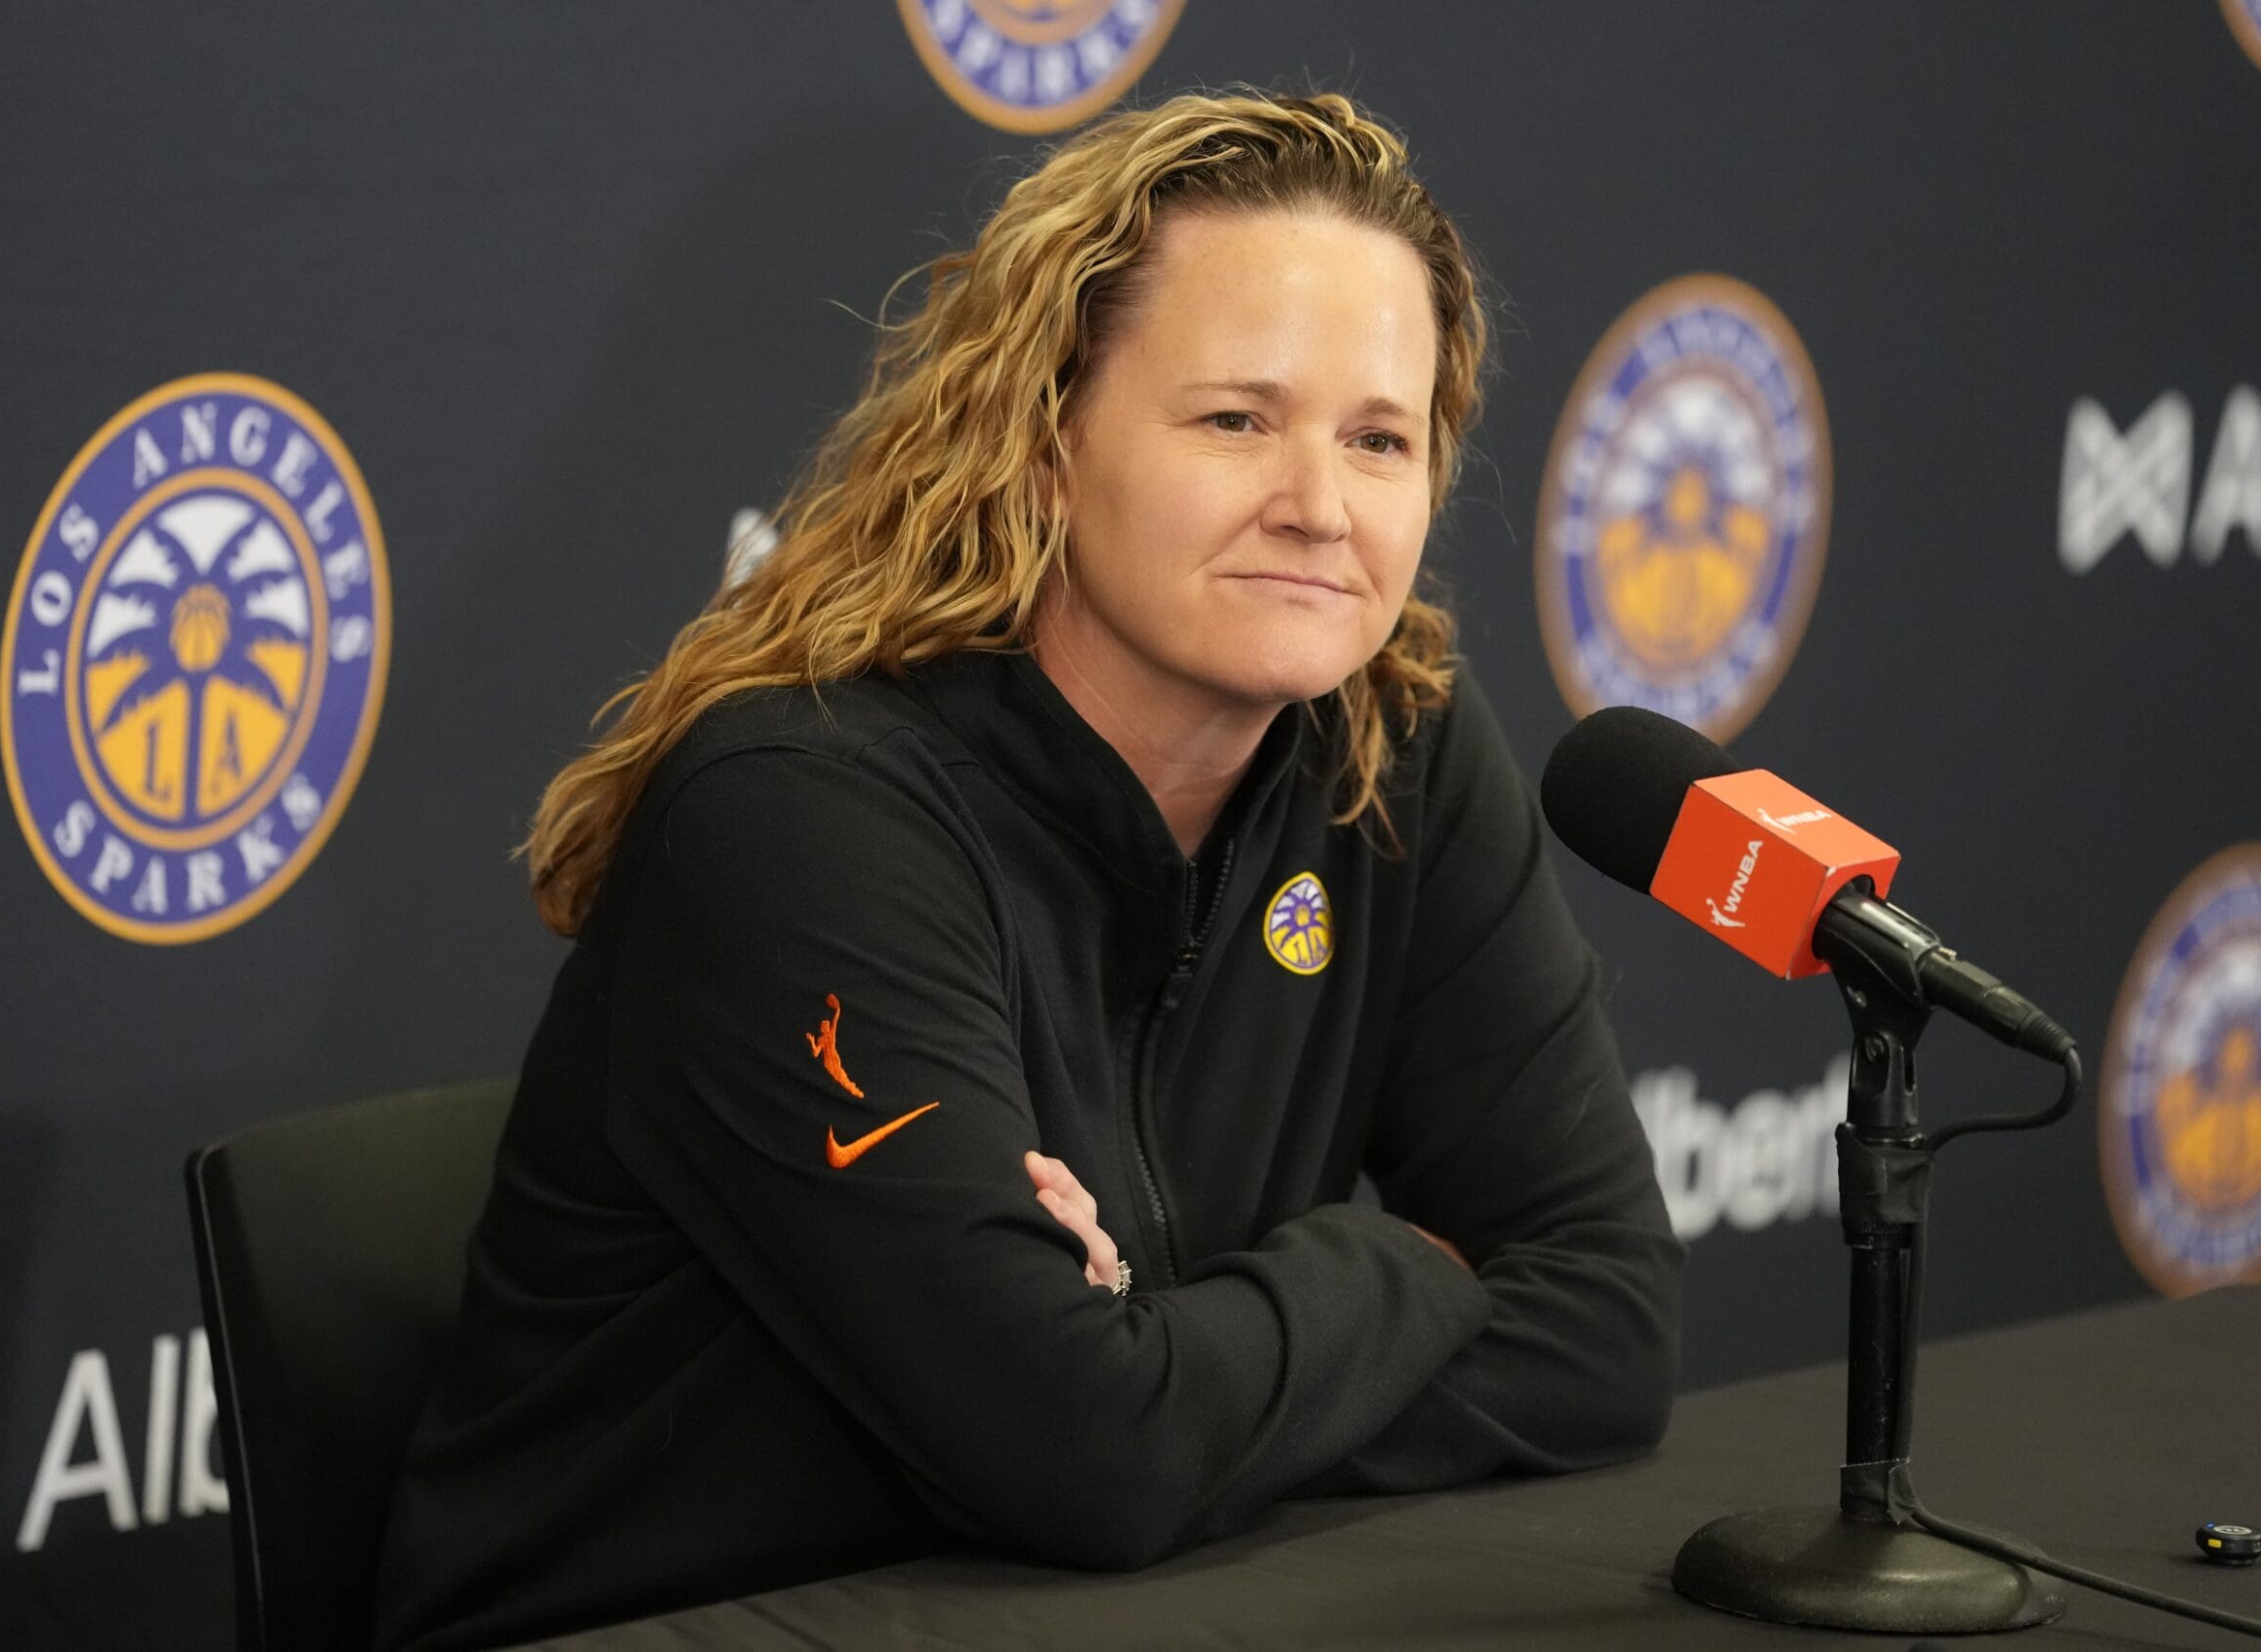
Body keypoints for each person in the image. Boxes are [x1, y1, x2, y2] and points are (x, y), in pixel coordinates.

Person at [374, 89, 1682, 1652]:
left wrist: (1173, 1376)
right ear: (1046, 438)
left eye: (1379, 440)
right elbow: (1088, 1452)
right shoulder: (800, 816)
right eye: (1236, 421)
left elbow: (1607, 1319)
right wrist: (1393, 1265)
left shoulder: (1391, 746)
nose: (1320, 508)